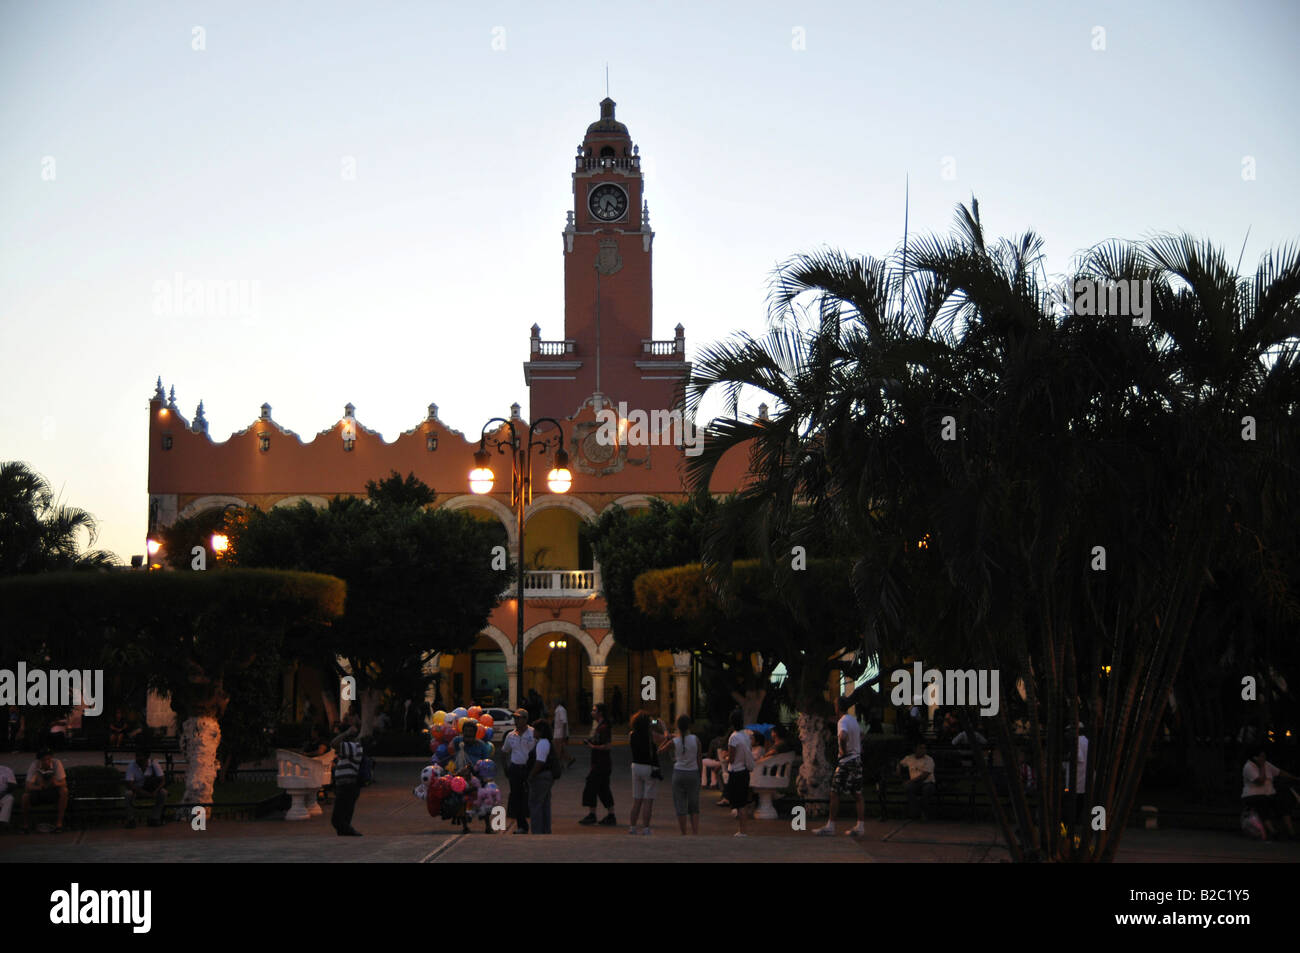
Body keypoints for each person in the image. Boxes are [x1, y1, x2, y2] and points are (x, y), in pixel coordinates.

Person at [818, 696, 865, 836]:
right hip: (856, 759)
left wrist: (843, 749)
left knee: (834, 792)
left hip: (846, 761)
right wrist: (857, 746)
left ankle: (831, 825)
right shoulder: (853, 720)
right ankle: (860, 825)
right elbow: (861, 735)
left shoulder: (842, 721)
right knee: (857, 793)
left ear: (837, 707)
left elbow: (842, 736)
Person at [1242, 746, 1298, 840]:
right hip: (1254, 795)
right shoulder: (1249, 767)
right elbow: (1261, 781)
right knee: (1262, 803)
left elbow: (1279, 772)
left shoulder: (1267, 764)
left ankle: (1291, 831)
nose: (1263, 758)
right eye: (1261, 756)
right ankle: (1273, 832)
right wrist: (1261, 766)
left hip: (1269, 794)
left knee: (1282, 801)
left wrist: (1294, 778)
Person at [661, 714, 700, 835]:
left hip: (678, 772)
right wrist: (700, 775)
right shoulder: (695, 739)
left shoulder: (675, 741)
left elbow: (660, 751)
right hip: (693, 772)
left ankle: (684, 832)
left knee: (680, 804)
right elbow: (699, 759)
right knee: (694, 805)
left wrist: (667, 738)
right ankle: (695, 832)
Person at [578, 702, 616, 826]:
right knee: (603, 789)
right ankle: (610, 815)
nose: (592, 712)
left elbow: (607, 746)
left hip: (601, 764)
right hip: (601, 763)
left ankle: (592, 814)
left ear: (600, 713)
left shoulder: (603, 727)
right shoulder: (601, 726)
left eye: (594, 710)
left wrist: (592, 746)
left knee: (591, 787)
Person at [628, 710, 666, 835]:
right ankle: (646, 828)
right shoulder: (652, 735)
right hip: (649, 767)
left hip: (636, 766)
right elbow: (663, 737)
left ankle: (632, 827)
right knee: (648, 800)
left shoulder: (632, 734)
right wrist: (656, 721)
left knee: (637, 799)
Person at [502, 708, 535, 834]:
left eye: (518, 718)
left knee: (531, 797)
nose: (516, 721)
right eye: (515, 718)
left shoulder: (533, 733)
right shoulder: (511, 735)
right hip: (515, 768)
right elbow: (504, 752)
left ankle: (536, 823)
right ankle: (522, 825)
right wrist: (506, 769)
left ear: (525, 719)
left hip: (529, 768)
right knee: (517, 797)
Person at [330, 712, 364, 836]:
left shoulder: (354, 747)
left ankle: (348, 831)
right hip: (345, 786)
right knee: (343, 814)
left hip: (348, 786)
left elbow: (333, 743)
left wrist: (346, 733)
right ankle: (345, 832)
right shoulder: (350, 747)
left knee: (338, 817)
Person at [724, 709, 756, 836]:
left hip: (735, 771)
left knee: (739, 803)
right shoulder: (746, 736)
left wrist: (726, 757)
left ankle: (742, 830)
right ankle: (743, 829)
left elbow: (731, 758)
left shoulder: (733, 737)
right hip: (744, 771)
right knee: (742, 801)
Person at [21, 748, 68, 833]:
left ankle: (59, 824)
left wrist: (55, 783)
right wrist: (39, 786)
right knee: (25, 797)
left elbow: (64, 783)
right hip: (38, 792)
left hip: (52, 791)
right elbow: (28, 786)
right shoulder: (34, 765)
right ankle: (25, 825)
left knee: (64, 791)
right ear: (39, 760)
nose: (46, 762)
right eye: (43, 760)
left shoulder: (56, 763)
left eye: (48, 759)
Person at [124, 746, 167, 829]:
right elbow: (130, 784)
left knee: (163, 793)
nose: (137, 758)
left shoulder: (154, 764)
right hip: (137, 790)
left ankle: (155, 818)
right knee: (128, 794)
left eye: (140, 756)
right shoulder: (132, 765)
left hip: (151, 789)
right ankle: (131, 819)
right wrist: (143, 792)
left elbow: (162, 780)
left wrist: (155, 791)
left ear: (146, 757)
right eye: (136, 756)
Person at [527, 719, 556, 834]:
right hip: (546, 776)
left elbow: (540, 762)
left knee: (536, 804)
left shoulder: (543, 743)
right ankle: (545, 829)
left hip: (541, 777)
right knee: (544, 803)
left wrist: (531, 775)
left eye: (535, 730)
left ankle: (537, 830)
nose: (533, 732)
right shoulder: (545, 742)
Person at [899, 741, 936, 820]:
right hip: (915, 783)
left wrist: (911, 781)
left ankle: (924, 812)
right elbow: (900, 764)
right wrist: (899, 769)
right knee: (908, 788)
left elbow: (925, 775)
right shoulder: (909, 758)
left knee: (927, 790)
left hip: (927, 782)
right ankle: (914, 812)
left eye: (924, 748)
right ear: (915, 749)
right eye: (921, 748)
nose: (923, 750)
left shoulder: (929, 760)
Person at [553, 698, 572, 768]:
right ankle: (567, 760)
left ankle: (560, 763)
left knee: (558, 749)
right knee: (560, 748)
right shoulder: (558, 709)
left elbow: (564, 722)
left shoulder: (561, 710)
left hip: (559, 733)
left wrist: (564, 734)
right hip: (557, 732)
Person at [0, 762, 16, 831]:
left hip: (2, 795)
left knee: (9, 798)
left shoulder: (6, 770)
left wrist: (3, 794)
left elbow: (12, 785)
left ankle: (2, 823)